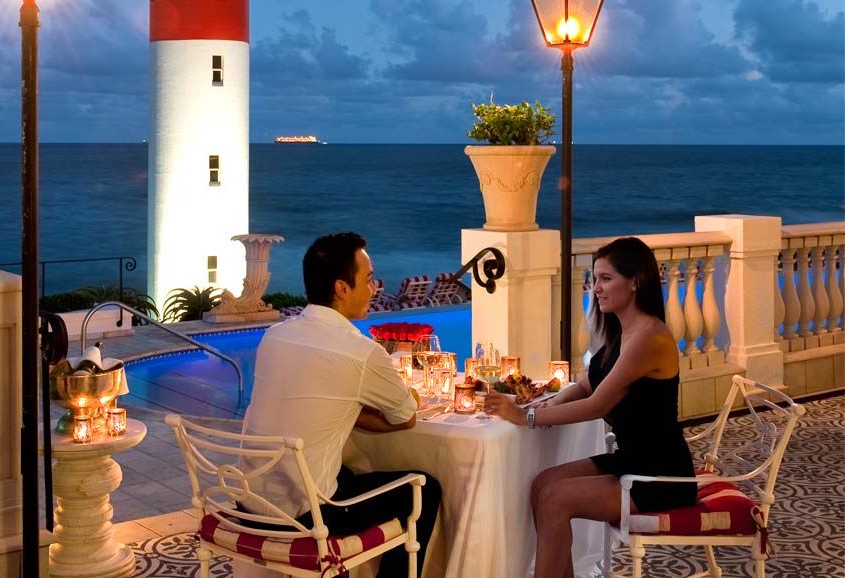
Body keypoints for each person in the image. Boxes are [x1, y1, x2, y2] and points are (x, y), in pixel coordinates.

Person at [484, 236, 696, 578]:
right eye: (594, 279)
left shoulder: (649, 337)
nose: (595, 288)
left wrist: (528, 417)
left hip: (659, 473)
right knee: (542, 485)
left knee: (556, 498)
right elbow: (585, 384)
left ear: (635, 281)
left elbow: (597, 404)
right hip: (630, 457)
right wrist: (548, 401)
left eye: (605, 279)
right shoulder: (621, 332)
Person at [241, 232, 441, 578]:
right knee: (423, 488)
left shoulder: (275, 335)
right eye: (368, 280)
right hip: (305, 516)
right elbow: (407, 415)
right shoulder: (360, 351)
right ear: (341, 288)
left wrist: (353, 411)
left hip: (248, 502)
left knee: (350, 471)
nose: (374, 288)